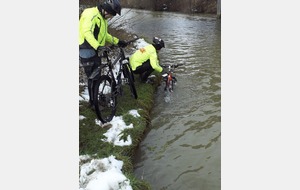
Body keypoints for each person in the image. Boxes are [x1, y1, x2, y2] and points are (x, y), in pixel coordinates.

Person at [79, 0, 127, 106]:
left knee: (96, 77)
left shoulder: (102, 18)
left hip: (95, 49)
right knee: (93, 76)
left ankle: (94, 101)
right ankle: (93, 103)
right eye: (111, 14)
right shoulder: (91, 14)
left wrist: (118, 41)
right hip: (86, 49)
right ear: (106, 10)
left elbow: (105, 36)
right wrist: (98, 46)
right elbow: (87, 32)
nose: (111, 17)